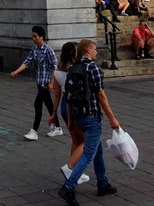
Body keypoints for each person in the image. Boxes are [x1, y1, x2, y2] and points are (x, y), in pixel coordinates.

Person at [58, 39, 119, 205]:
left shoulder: (73, 68)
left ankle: (102, 183)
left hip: (78, 116)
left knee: (97, 149)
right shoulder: (93, 67)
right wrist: (112, 117)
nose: (96, 52)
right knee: (88, 153)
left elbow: (68, 97)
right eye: (95, 49)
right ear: (88, 51)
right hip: (92, 117)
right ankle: (68, 187)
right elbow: (101, 95)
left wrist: (70, 120)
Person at [10, 25, 60, 140]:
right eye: (32, 36)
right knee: (49, 105)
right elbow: (27, 62)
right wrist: (16, 71)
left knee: (38, 105)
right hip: (40, 82)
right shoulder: (34, 50)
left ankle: (34, 131)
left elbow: (54, 67)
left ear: (41, 37)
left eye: (35, 36)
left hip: (46, 83)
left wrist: (52, 82)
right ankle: (57, 127)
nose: (33, 39)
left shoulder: (48, 50)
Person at [50, 42, 89, 187]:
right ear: (74, 54)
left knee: (75, 139)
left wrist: (54, 113)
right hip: (74, 104)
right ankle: (71, 168)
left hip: (64, 106)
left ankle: (75, 172)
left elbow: (57, 95)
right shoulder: (75, 69)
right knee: (86, 141)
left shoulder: (58, 71)